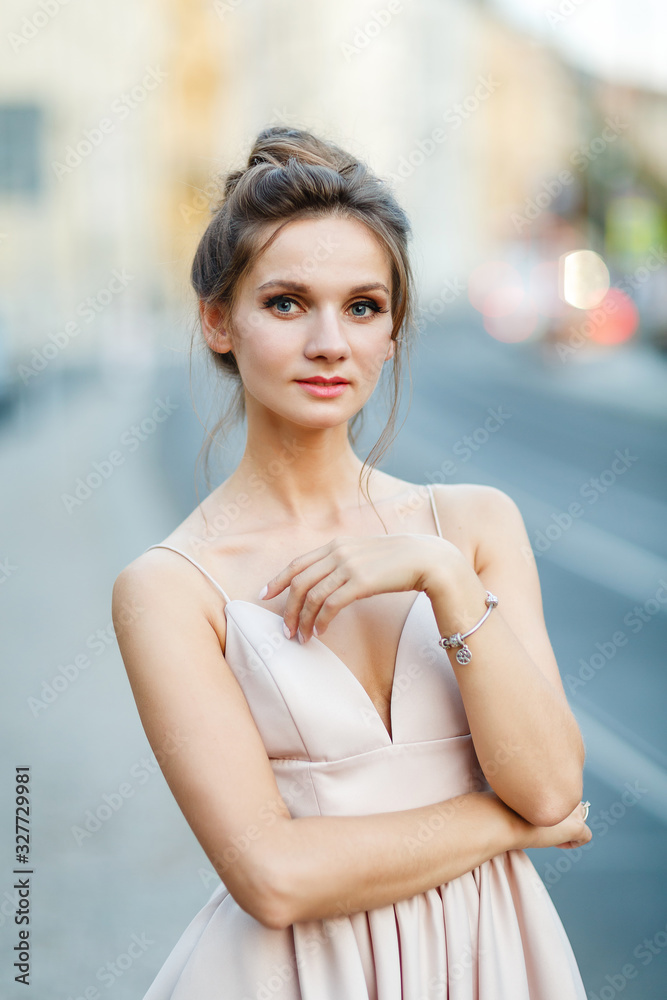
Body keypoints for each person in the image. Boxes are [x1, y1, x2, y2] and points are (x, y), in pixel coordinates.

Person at [112, 125, 592, 999]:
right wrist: (504, 827)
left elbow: (553, 783)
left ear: (394, 332)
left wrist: (443, 577)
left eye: (363, 307)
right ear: (218, 321)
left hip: (495, 960)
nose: (330, 343)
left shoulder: (475, 526)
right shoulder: (169, 588)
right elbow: (274, 878)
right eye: (287, 303)